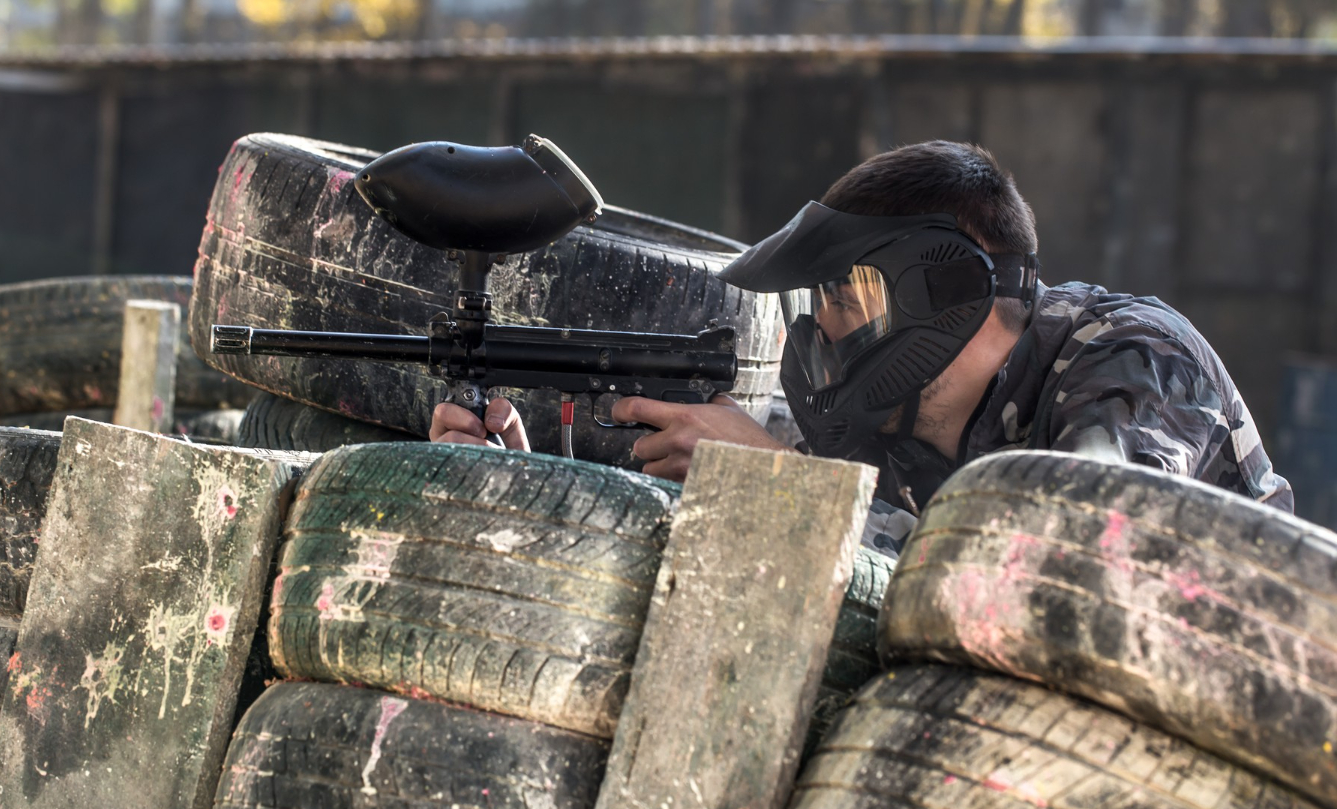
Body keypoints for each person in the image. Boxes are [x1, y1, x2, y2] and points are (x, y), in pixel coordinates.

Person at [430, 141, 1293, 552]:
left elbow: (1078, 572)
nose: (826, 328)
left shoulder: (1135, 364)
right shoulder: (882, 433)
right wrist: (531, 480)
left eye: (847, 293)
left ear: (945, 287)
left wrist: (784, 487)